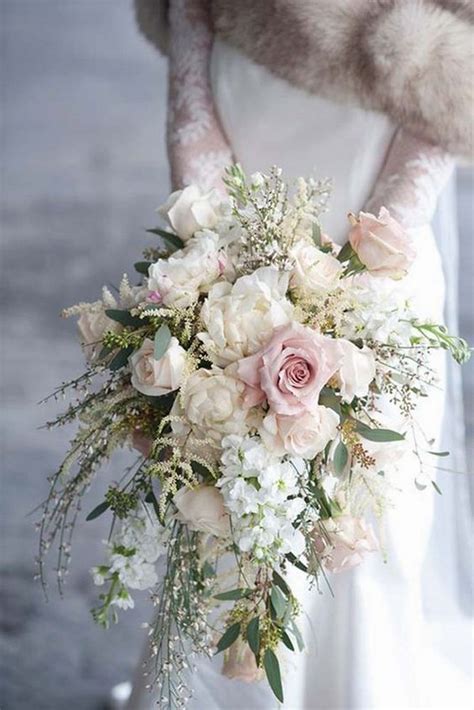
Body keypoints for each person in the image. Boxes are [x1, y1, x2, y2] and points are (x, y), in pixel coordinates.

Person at [115, 2, 472, 708]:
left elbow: (445, 107)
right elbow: (193, 110)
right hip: (230, 263)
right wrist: (218, 271)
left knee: (369, 527)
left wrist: (349, 298)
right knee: (223, 510)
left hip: (380, 276)